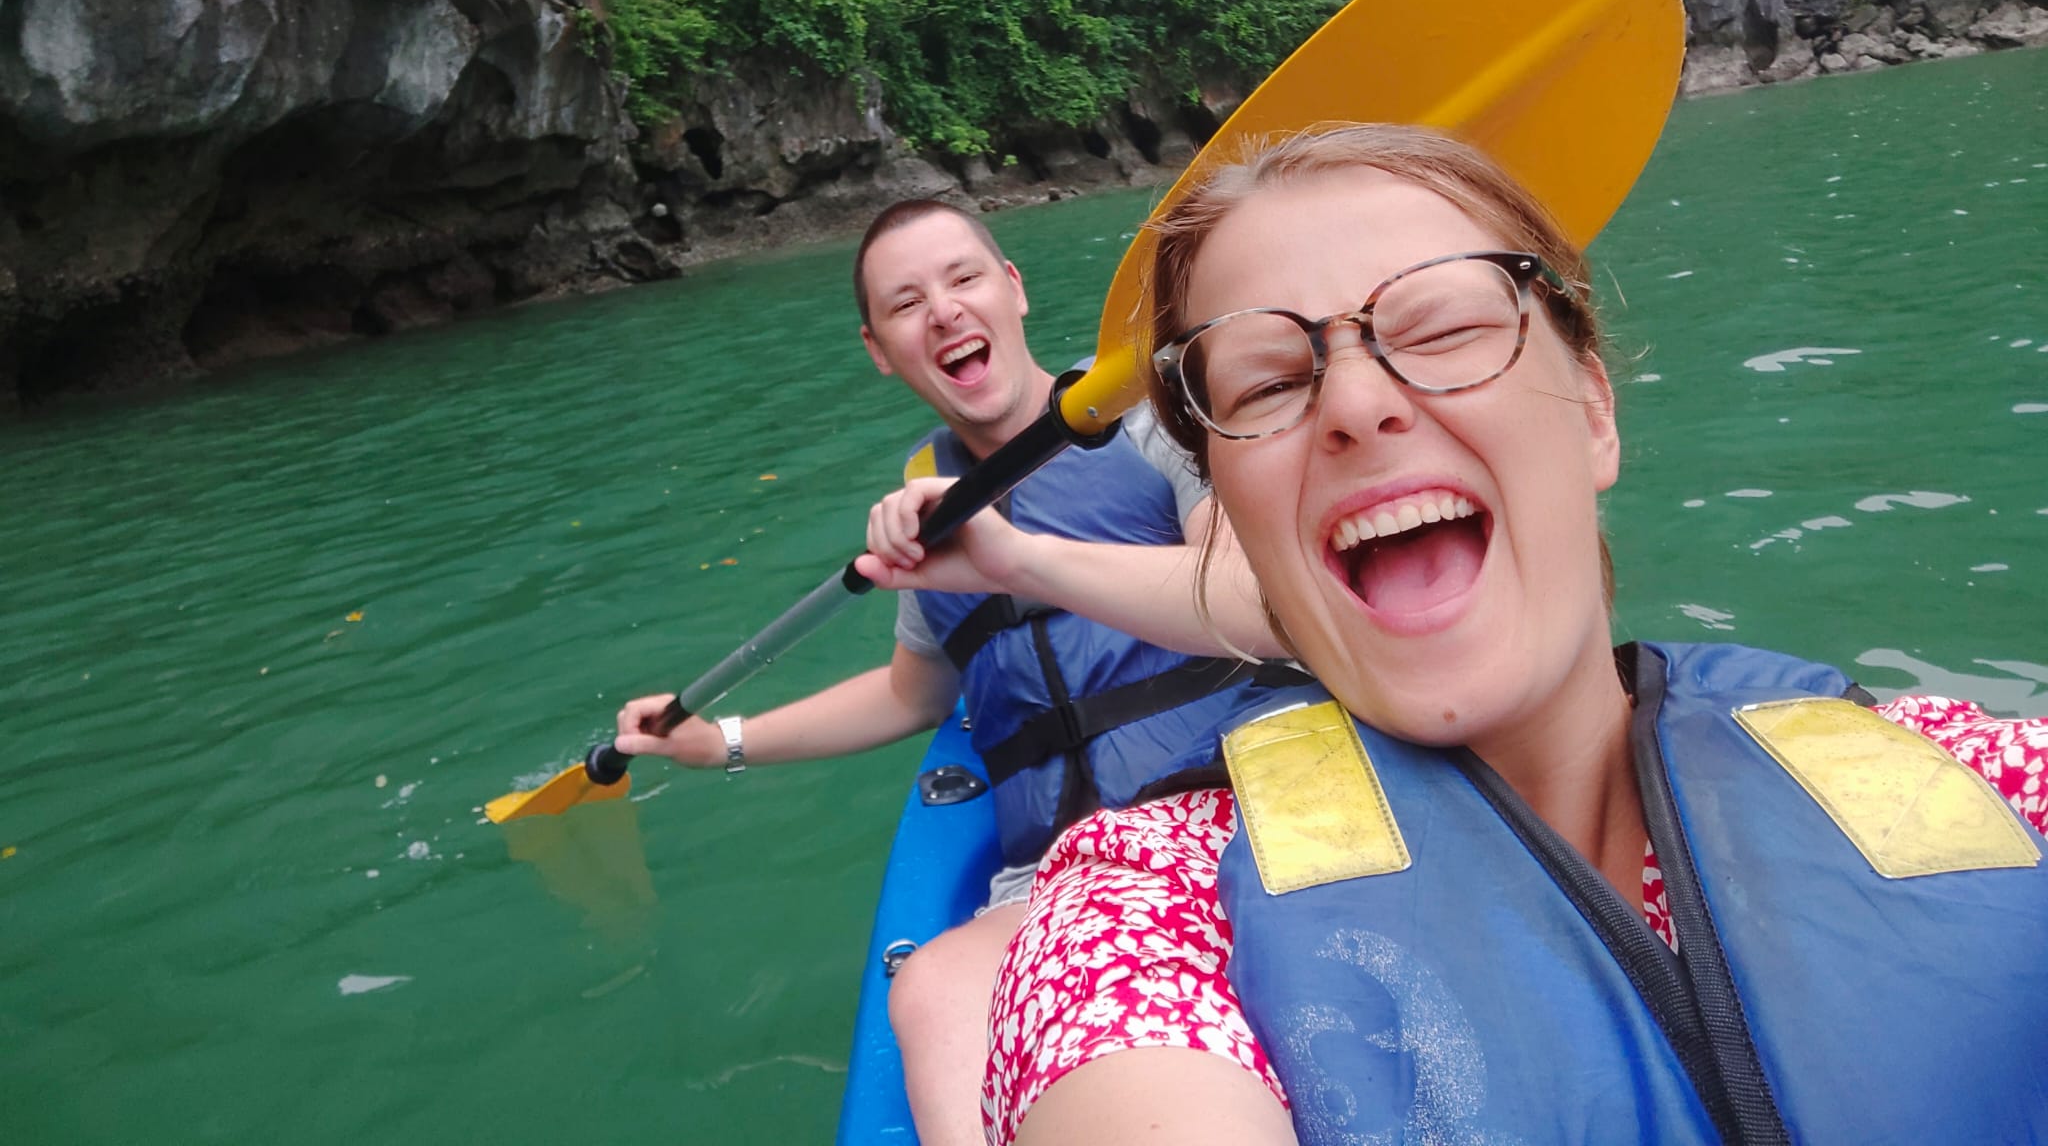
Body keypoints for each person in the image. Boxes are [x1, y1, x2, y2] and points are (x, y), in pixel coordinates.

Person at [981, 125, 2048, 1146]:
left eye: (1442, 330)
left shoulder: (1979, 772)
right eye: (1268, 384)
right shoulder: (1144, 911)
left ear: (1593, 410)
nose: (1354, 402)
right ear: (1238, 520)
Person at [611, 198, 1286, 1146]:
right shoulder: (924, 509)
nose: (943, 311)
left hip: (1231, 793)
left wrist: (1018, 555)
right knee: (928, 988)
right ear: (880, 348)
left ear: (1012, 290)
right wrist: (717, 741)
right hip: (1055, 860)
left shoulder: (1147, 413)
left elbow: (1252, 593)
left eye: (964, 278)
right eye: (906, 303)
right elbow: (913, 691)